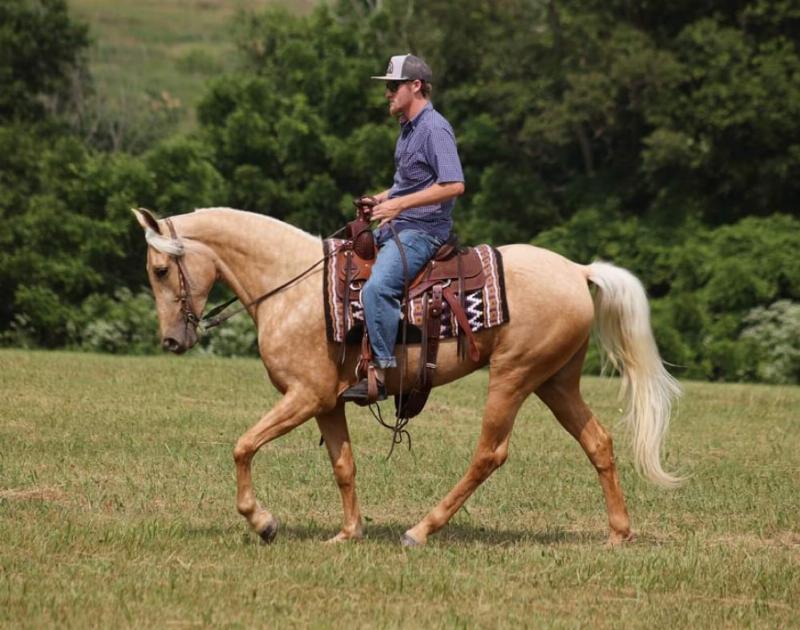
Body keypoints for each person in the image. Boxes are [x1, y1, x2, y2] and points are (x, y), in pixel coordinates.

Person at [342, 54, 465, 402]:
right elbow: (407, 185)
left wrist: (397, 207)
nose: (387, 93)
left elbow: (454, 184)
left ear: (415, 86)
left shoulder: (434, 128)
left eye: (393, 86)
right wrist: (379, 199)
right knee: (342, 260)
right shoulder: (408, 129)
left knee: (377, 288)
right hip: (400, 223)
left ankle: (380, 375)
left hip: (424, 231)